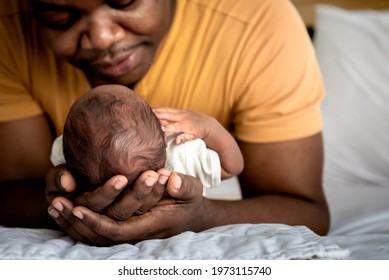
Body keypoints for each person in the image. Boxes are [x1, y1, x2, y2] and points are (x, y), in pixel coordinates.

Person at [0, 0, 329, 244]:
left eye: (125, 1)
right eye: (59, 16)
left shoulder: (258, 23)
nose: (102, 38)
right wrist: (63, 204)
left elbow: (307, 211)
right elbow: (12, 193)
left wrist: (204, 216)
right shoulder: (9, 25)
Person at [51, 84, 243, 193]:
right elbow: (233, 166)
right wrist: (210, 127)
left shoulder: (67, 155)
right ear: (162, 130)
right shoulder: (180, 154)